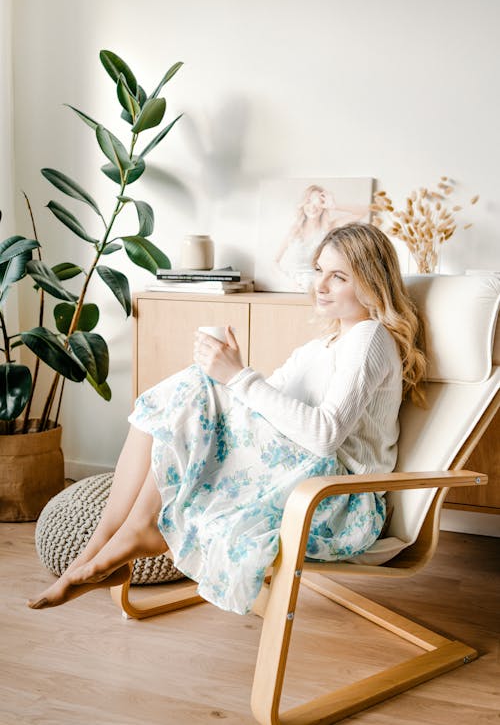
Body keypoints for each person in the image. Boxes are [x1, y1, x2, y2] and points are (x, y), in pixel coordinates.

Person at [28, 222, 426, 615]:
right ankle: (104, 543)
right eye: (319, 270)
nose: (320, 285)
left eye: (338, 276)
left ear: (373, 283)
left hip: (337, 501)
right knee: (184, 400)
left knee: (195, 389)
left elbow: (324, 435)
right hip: (302, 479)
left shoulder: (369, 336)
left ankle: (130, 536)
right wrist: (229, 375)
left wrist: (235, 376)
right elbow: (262, 408)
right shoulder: (321, 345)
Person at [275, 184, 370, 290]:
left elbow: (364, 211)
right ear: (303, 204)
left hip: (320, 290)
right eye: (309, 201)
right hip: (294, 291)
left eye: (318, 202)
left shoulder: (330, 227)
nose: (312, 206)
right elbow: (274, 262)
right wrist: (288, 282)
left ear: (324, 206)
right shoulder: (294, 230)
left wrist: (335, 206)